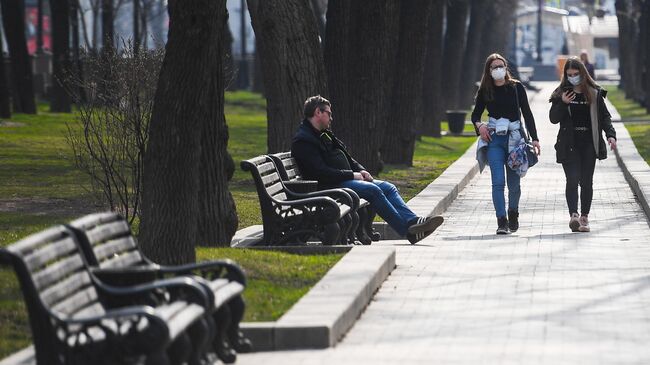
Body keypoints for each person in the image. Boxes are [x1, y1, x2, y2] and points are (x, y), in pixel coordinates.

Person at [291, 95, 444, 244]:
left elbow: (347, 158)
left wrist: (361, 170)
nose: (331, 118)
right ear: (318, 112)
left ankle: (413, 221)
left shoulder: (323, 134)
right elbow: (321, 173)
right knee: (372, 190)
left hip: (341, 181)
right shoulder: (304, 140)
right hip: (326, 187)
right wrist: (353, 175)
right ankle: (408, 230)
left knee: (388, 187)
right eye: (329, 114)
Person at [471, 53, 541, 234]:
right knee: (497, 182)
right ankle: (501, 221)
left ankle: (513, 212)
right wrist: (480, 127)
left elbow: (527, 113)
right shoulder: (485, 90)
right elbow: (475, 115)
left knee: (514, 183)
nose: (498, 69)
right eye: (494, 67)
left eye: (501, 66)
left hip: (515, 140)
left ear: (506, 68)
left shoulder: (516, 88)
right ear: (489, 70)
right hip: (494, 140)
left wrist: (534, 138)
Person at [549, 56, 616, 232]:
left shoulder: (594, 93)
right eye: (569, 74)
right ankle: (574, 216)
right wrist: (563, 103)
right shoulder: (561, 92)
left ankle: (585, 217)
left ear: (583, 73)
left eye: (576, 74)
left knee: (586, 182)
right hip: (568, 143)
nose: (573, 77)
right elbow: (553, 119)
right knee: (572, 179)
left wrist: (611, 135)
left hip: (588, 142)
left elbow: (604, 117)